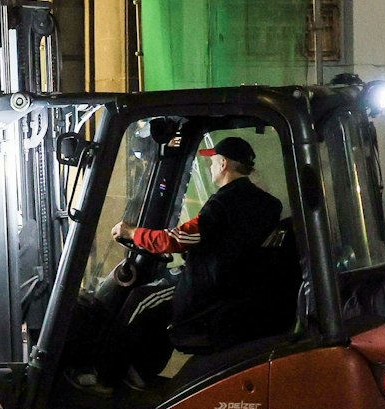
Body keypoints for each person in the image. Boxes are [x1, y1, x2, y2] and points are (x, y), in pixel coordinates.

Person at [110, 135, 283, 353]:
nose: (210, 167)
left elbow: (177, 239)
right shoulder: (268, 203)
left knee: (141, 300)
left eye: (213, 162)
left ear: (223, 164)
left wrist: (132, 232)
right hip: (235, 283)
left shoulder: (222, 203)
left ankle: (105, 375)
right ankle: (141, 373)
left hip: (207, 288)